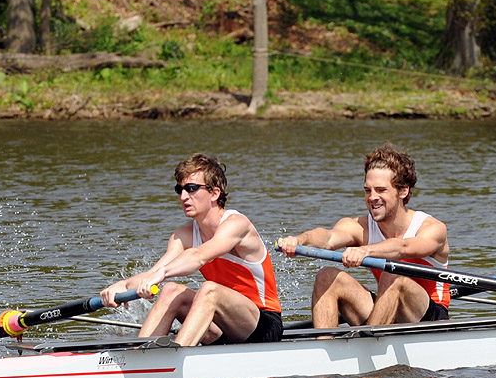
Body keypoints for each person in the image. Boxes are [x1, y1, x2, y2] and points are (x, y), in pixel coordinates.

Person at [101, 153, 283, 346]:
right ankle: (141, 356)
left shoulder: (237, 224)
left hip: (263, 325)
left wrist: (161, 274)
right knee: (171, 290)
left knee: (209, 290)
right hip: (221, 325)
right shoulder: (184, 234)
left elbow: (199, 256)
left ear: (215, 193)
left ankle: (177, 357)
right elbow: (155, 271)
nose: (183, 196)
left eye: (191, 189)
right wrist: (124, 285)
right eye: (179, 189)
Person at [276, 143, 450, 328]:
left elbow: (403, 247)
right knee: (326, 276)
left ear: (403, 191)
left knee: (393, 274)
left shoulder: (432, 228)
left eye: (381, 190)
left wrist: (365, 251)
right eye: (368, 190)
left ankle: (367, 344)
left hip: (428, 317)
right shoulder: (361, 226)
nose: (372, 197)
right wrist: (300, 240)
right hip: (385, 312)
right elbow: (328, 238)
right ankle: (324, 346)